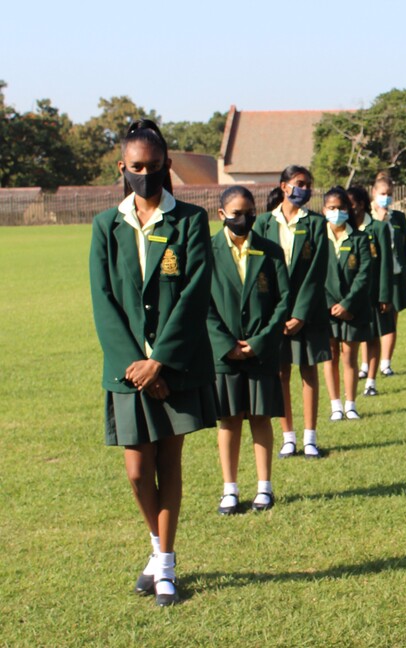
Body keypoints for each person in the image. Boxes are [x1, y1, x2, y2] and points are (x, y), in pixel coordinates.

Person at [89, 119, 216, 606]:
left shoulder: (189, 220)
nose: (146, 173)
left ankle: (165, 565)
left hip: (175, 365)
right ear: (122, 168)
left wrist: (160, 361)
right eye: (137, 166)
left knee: (169, 462)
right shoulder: (106, 225)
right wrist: (135, 365)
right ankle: (155, 545)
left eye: (155, 165)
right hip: (127, 372)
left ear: (166, 166)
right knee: (138, 472)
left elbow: (193, 293)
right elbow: (104, 301)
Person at [208, 186, 289, 516]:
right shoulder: (207, 250)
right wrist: (226, 345)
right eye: (236, 213)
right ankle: (230, 489)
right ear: (221, 214)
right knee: (228, 421)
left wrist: (260, 341)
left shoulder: (269, 250)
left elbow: (284, 300)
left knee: (260, 417)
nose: (244, 219)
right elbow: (199, 303)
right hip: (224, 354)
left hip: (261, 351)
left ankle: (264, 487)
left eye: (249, 212)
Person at [254, 165, 330, 459]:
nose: (305, 189)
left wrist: (299, 313)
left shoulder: (316, 223)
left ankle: (310, 437)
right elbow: (259, 270)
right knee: (280, 372)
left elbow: (316, 272)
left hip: (307, 313)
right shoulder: (263, 223)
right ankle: (288, 437)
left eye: (309, 185)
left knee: (309, 371)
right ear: (284, 186)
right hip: (274, 314)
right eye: (300, 183)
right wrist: (277, 313)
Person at [321, 187, 379, 422]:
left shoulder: (360, 238)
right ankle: (335, 404)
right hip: (325, 309)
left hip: (352, 310)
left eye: (341, 208)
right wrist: (328, 304)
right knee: (330, 356)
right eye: (332, 208)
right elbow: (313, 275)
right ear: (324, 210)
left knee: (349, 357)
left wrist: (347, 304)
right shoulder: (317, 237)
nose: (337, 212)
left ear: (349, 209)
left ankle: (350, 403)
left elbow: (365, 274)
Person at [348, 184, 395, 394]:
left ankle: (371, 382)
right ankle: (357, 373)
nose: (348, 209)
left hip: (374, 293)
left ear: (362, 204)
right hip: (350, 295)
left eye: (352, 204)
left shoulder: (378, 228)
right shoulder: (344, 230)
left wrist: (385, 295)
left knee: (374, 336)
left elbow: (385, 263)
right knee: (352, 341)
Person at [372, 174, 406, 377]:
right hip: (374, 278)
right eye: (382, 194)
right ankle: (366, 365)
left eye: (389, 194)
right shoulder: (366, 217)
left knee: (392, 319)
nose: (386, 198)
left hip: (397, 275)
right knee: (371, 322)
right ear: (373, 193)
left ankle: (385, 363)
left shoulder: (398, 217)